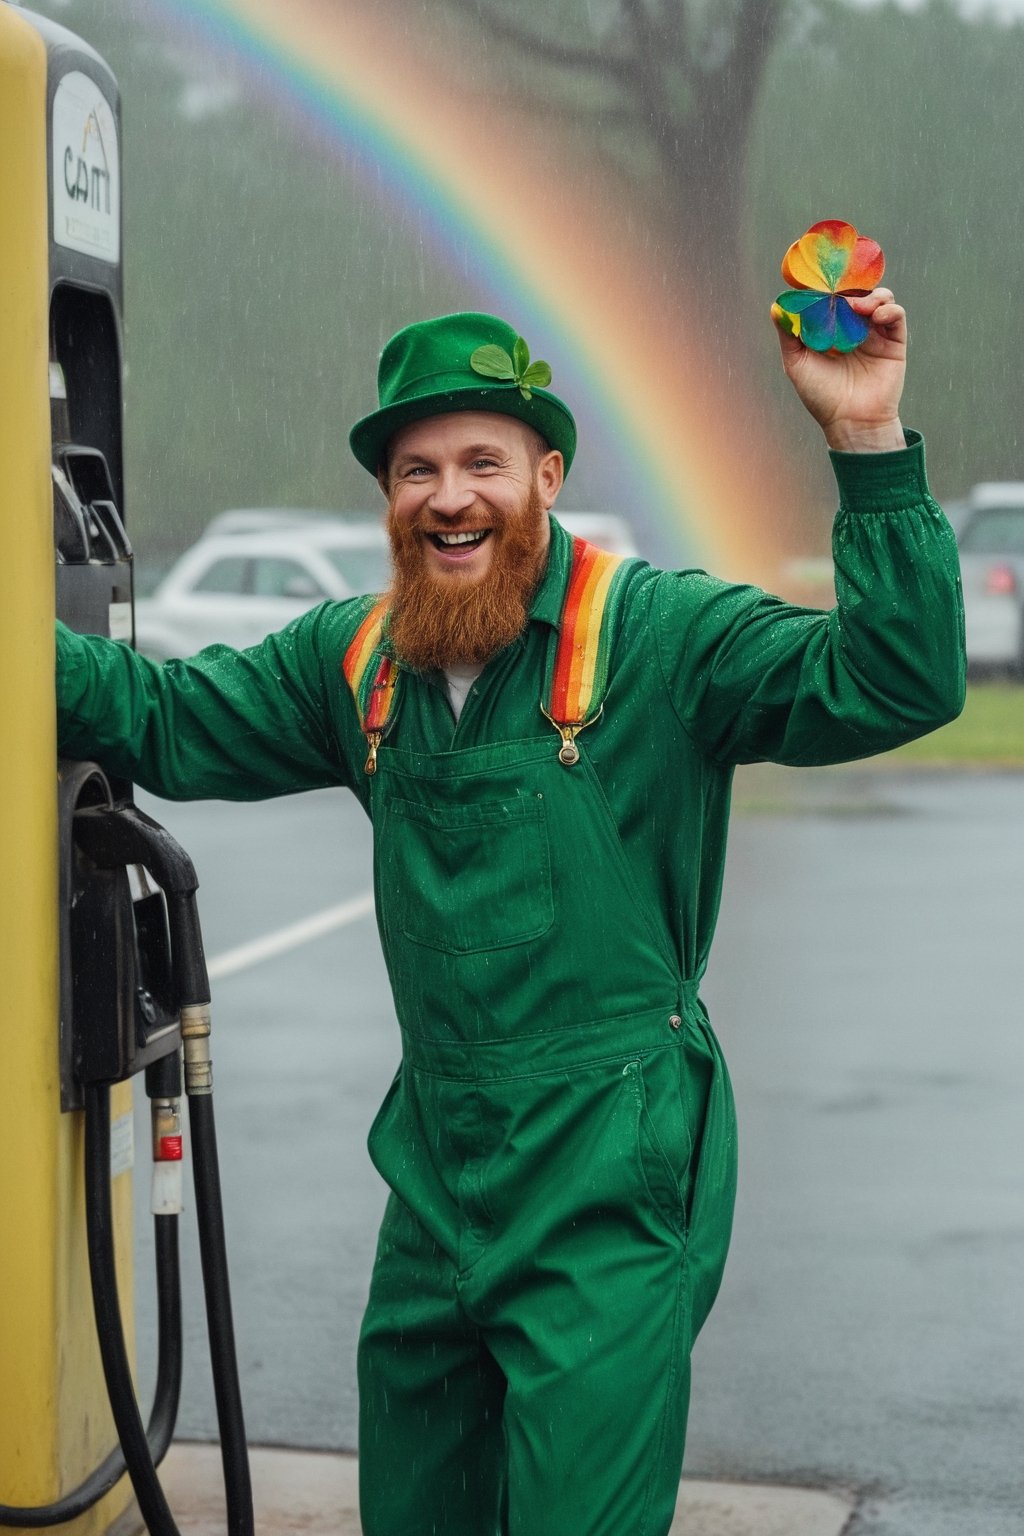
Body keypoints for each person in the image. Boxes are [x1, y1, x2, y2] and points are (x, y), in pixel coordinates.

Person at [56, 303, 965, 1536]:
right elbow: (157, 715)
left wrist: (866, 439)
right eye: (417, 470)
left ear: (547, 478)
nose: (449, 498)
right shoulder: (358, 662)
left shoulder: (662, 638)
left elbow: (892, 677)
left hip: (607, 1170)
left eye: (483, 463)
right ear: (387, 494)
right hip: (434, 1177)